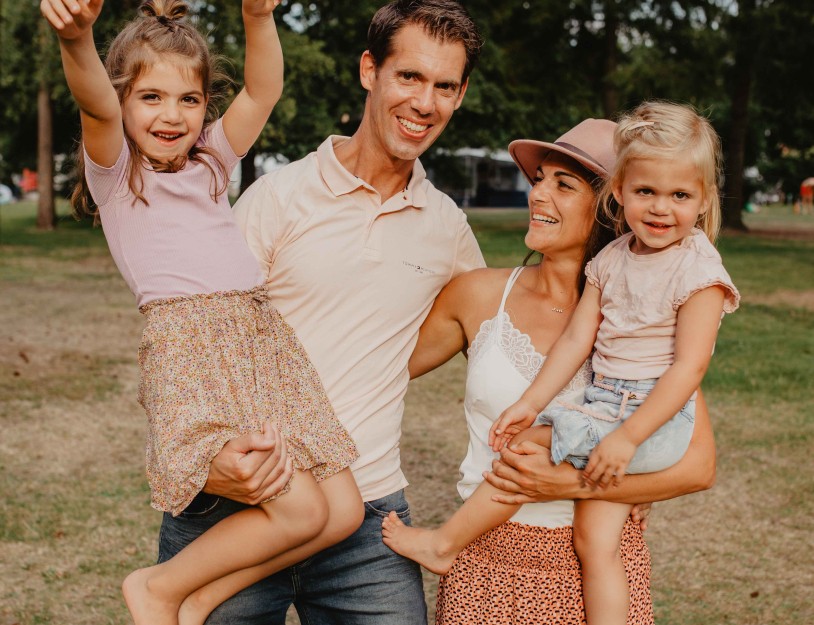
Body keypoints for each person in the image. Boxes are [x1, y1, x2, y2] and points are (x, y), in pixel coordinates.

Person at [154, 1, 486, 623]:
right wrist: (206, 458)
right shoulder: (277, 199)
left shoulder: (447, 228)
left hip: (367, 519)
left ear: (460, 96)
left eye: (444, 86)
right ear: (369, 71)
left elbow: (498, 324)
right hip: (243, 506)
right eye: (409, 77)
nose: (424, 102)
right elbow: (190, 341)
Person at [42, 1, 363, 624]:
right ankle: (158, 588)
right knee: (302, 511)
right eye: (151, 97)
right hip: (195, 352)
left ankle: (204, 596)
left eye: (189, 100)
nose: (171, 115)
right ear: (125, 102)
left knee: (344, 511)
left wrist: (258, 17)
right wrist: (78, 39)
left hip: (261, 343)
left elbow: (264, 87)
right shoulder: (118, 173)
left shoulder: (211, 163)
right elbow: (94, 104)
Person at [380, 116, 720, 624]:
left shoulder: (644, 318)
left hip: (594, 563)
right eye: (539, 180)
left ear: (610, 202)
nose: (538, 195)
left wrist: (570, 485)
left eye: (563, 184)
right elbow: (377, 371)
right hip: (486, 562)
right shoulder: (478, 295)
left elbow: (696, 468)